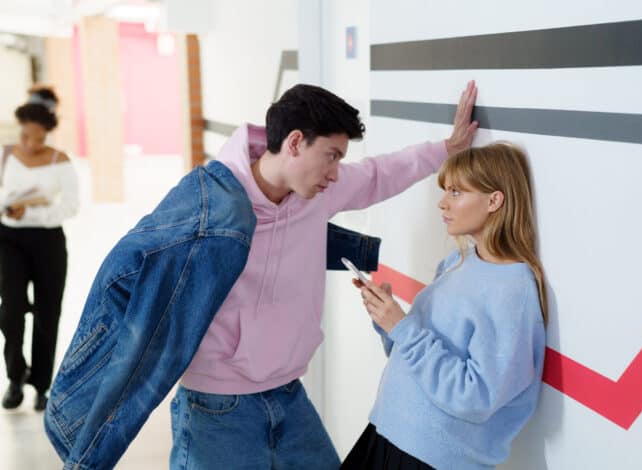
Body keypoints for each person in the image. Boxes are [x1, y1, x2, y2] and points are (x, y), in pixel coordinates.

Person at [169, 82, 479, 469]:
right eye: (331, 156)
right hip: (216, 404)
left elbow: (378, 174)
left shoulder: (315, 193)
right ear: (296, 142)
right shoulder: (209, 199)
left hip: (286, 393)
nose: (335, 174)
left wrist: (447, 150)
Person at [341, 142, 548, 470]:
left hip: (427, 458)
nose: (442, 203)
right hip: (386, 432)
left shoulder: (512, 289)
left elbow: (477, 397)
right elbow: (415, 358)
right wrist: (387, 320)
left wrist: (403, 328)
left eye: (455, 192)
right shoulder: (457, 262)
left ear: (494, 200)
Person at [0, 87, 79, 411]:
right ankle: (16, 376)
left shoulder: (61, 162)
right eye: (26, 136)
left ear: (47, 133)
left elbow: (70, 206)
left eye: (38, 138)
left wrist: (31, 212)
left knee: (48, 313)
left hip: (48, 242)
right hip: (8, 240)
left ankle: (42, 385)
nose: (30, 144)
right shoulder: (5, 155)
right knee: (11, 311)